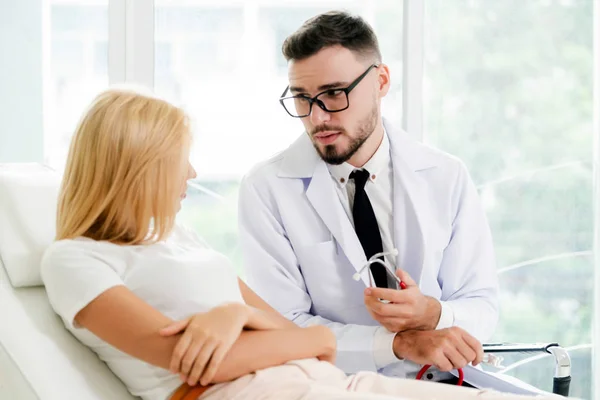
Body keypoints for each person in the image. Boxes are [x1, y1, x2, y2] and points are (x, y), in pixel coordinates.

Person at [40, 88, 553, 400]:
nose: (192, 174)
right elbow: (206, 366)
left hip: (320, 381)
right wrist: (267, 332)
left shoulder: (178, 236)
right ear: (138, 167)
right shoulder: (75, 260)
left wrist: (233, 318)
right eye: (181, 160)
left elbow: (315, 341)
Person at [238, 10, 499, 382]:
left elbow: (483, 306)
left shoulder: (446, 176)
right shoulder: (266, 188)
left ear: (381, 81)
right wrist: (398, 344)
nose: (317, 118)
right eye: (301, 98)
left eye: (334, 94)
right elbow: (284, 326)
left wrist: (432, 314)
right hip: (332, 384)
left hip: (441, 382)